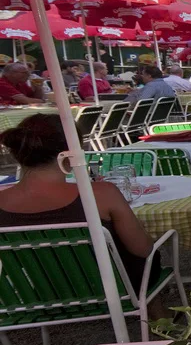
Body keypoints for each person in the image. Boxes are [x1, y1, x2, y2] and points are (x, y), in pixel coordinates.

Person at [0, 114, 164, 314]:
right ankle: (160, 316)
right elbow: (143, 250)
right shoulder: (100, 194)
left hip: (39, 293)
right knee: (148, 256)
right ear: (71, 153)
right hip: (113, 288)